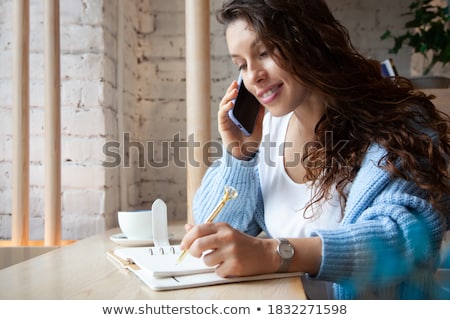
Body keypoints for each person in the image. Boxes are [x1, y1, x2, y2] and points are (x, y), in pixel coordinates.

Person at [180, 0, 450, 299]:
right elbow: (213, 233)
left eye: (265, 52)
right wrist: (240, 155)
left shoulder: (401, 122)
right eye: (242, 65)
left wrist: (276, 253)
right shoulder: (267, 132)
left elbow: (404, 240)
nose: (253, 76)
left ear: (306, 39)